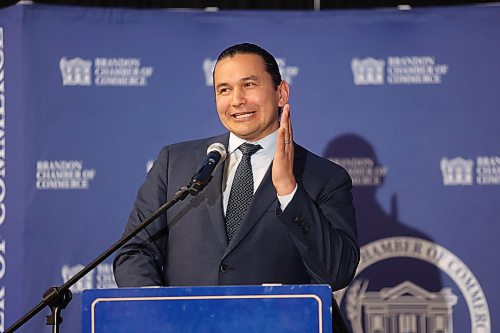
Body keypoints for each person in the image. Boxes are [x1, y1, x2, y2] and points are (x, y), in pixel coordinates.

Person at [113, 43, 359, 331]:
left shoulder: (324, 177)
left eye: (249, 84)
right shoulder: (175, 163)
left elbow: (337, 272)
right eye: (224, 90)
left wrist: (288, 191)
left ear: (281, 93)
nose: (237, 100)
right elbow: (134, 252)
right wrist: (160, 314)